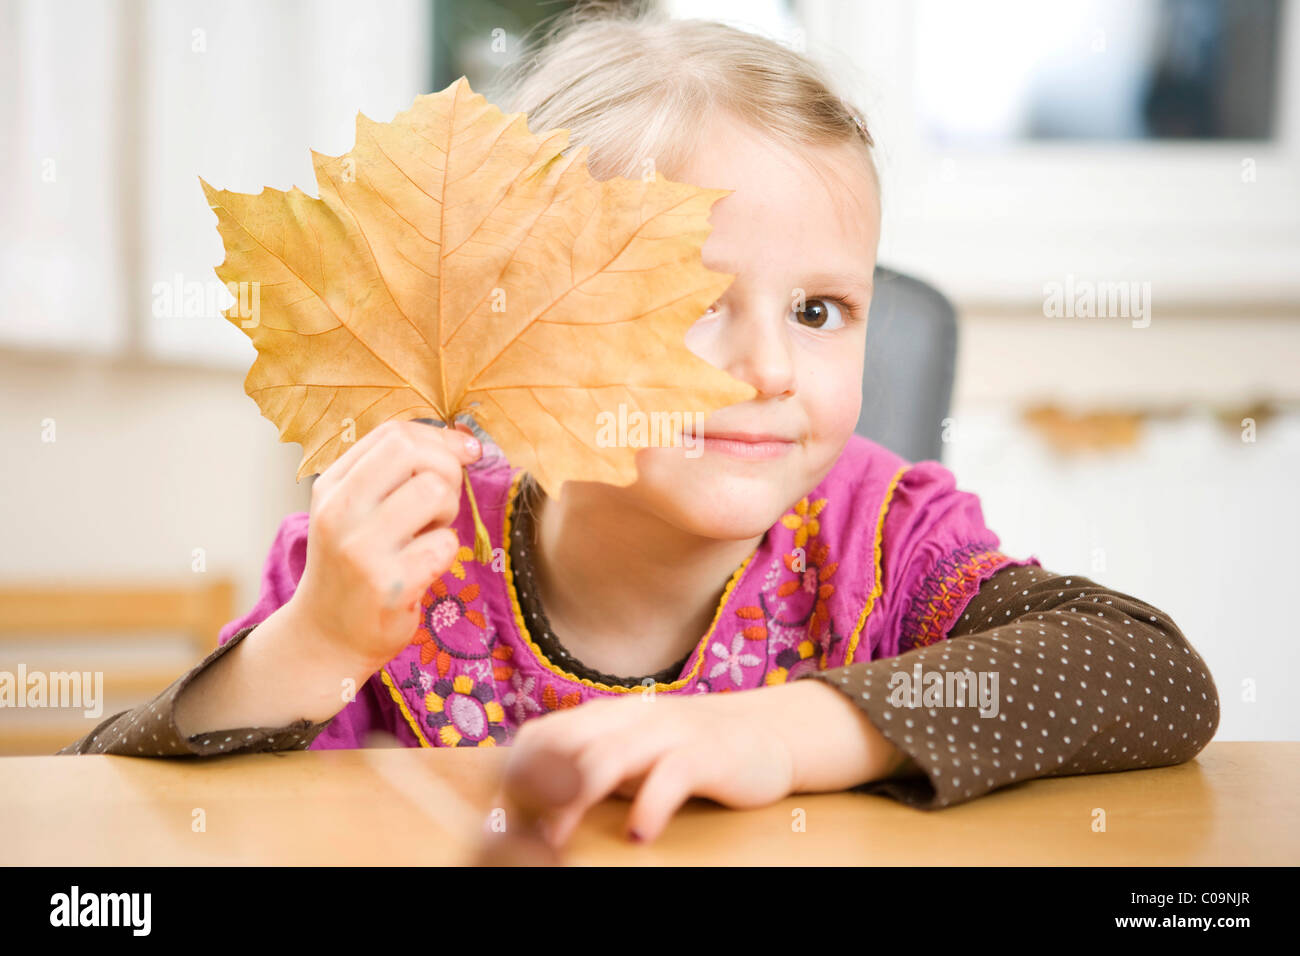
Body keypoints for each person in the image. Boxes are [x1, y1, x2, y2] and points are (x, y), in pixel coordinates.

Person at [59, 6, 1219, 853]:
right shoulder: (395, 561)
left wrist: (785, 732)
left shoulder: (885, 536)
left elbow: (1152, 675)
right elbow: (122, 813)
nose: (770, 367)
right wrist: (312, 642)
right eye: (692, 303)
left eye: (820, 310)